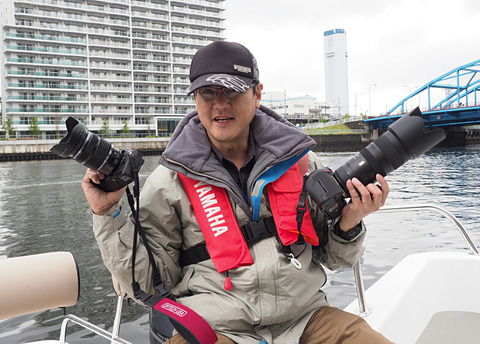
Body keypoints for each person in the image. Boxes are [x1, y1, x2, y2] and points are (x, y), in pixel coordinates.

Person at [82, 40, 393, 344]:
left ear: (257, 94)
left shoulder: (302, 164)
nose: (220, 103)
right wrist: (108, 213)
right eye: (207, 92)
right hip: (215, 330)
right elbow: (147, 282)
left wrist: (349, 222)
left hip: (306, 320)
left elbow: (335, 259)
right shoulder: (167, 183)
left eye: (231, 89)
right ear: (195, 100)